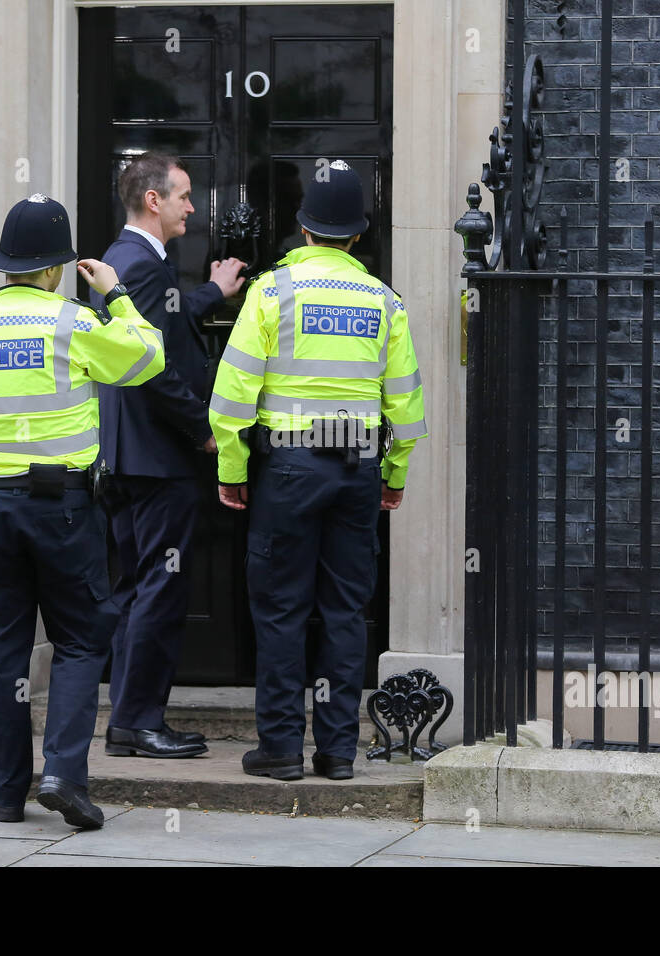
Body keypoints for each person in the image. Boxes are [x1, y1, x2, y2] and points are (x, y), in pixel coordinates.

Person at [0, 193, 165, 828]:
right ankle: (62, 775)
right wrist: (114, 292)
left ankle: (4, 795)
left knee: (5, 653)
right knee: (80, 642)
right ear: (56, 267)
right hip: (66, 510)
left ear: (6, 265)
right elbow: (147, 356)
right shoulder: (74, 324)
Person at [208, 160, 427, 781]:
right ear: (356, 235)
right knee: (343, 608)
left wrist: (232, 465)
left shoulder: (271, 292)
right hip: (357, 467)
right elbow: (406, 403)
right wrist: (396, 473)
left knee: (279, 608)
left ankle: (279, 748)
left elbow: (231, 396)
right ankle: (337, 751)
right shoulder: (384, 301)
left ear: (304, 229)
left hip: (289, 466)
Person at [90, 152, 247, 758]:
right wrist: (203, 430)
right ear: (153, 200)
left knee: (137, 588)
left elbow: (158, 329)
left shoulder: (126, 260)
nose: (191, 206)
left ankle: (129, 722)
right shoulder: (143, 266)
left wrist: (209, 293)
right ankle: (139, 723)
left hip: (127, 458)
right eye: (183, 195)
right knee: (159, 589)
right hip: (159, 457)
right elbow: (150, 369)